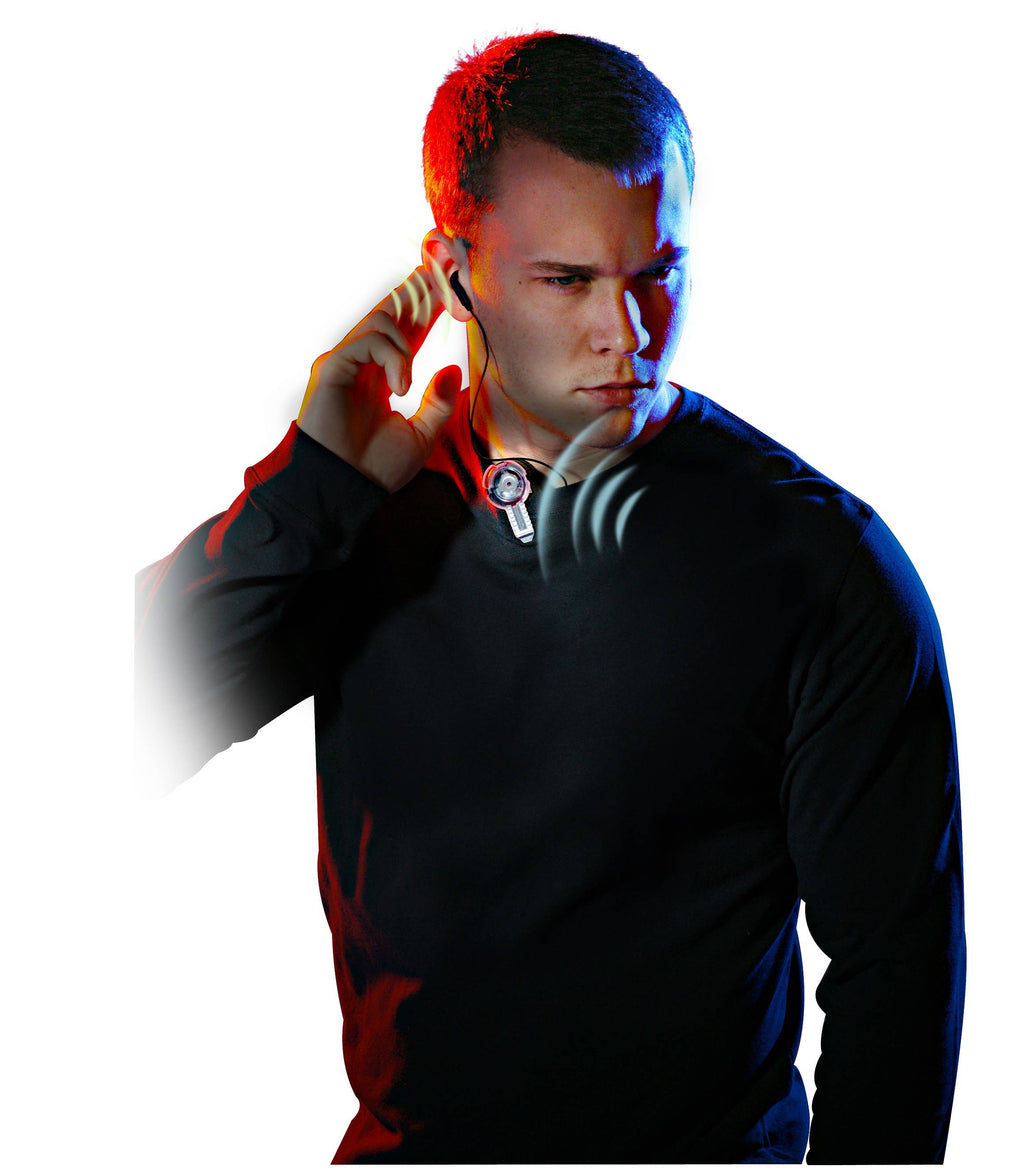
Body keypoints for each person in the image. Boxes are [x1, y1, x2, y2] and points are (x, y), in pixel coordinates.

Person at [135, 31, 966, 1164]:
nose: (625, 335)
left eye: (656, 275)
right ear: (454, 272)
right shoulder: (356, 516)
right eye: (566, 281)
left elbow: (896, 974)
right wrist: (311, 489)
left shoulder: (821, 564)